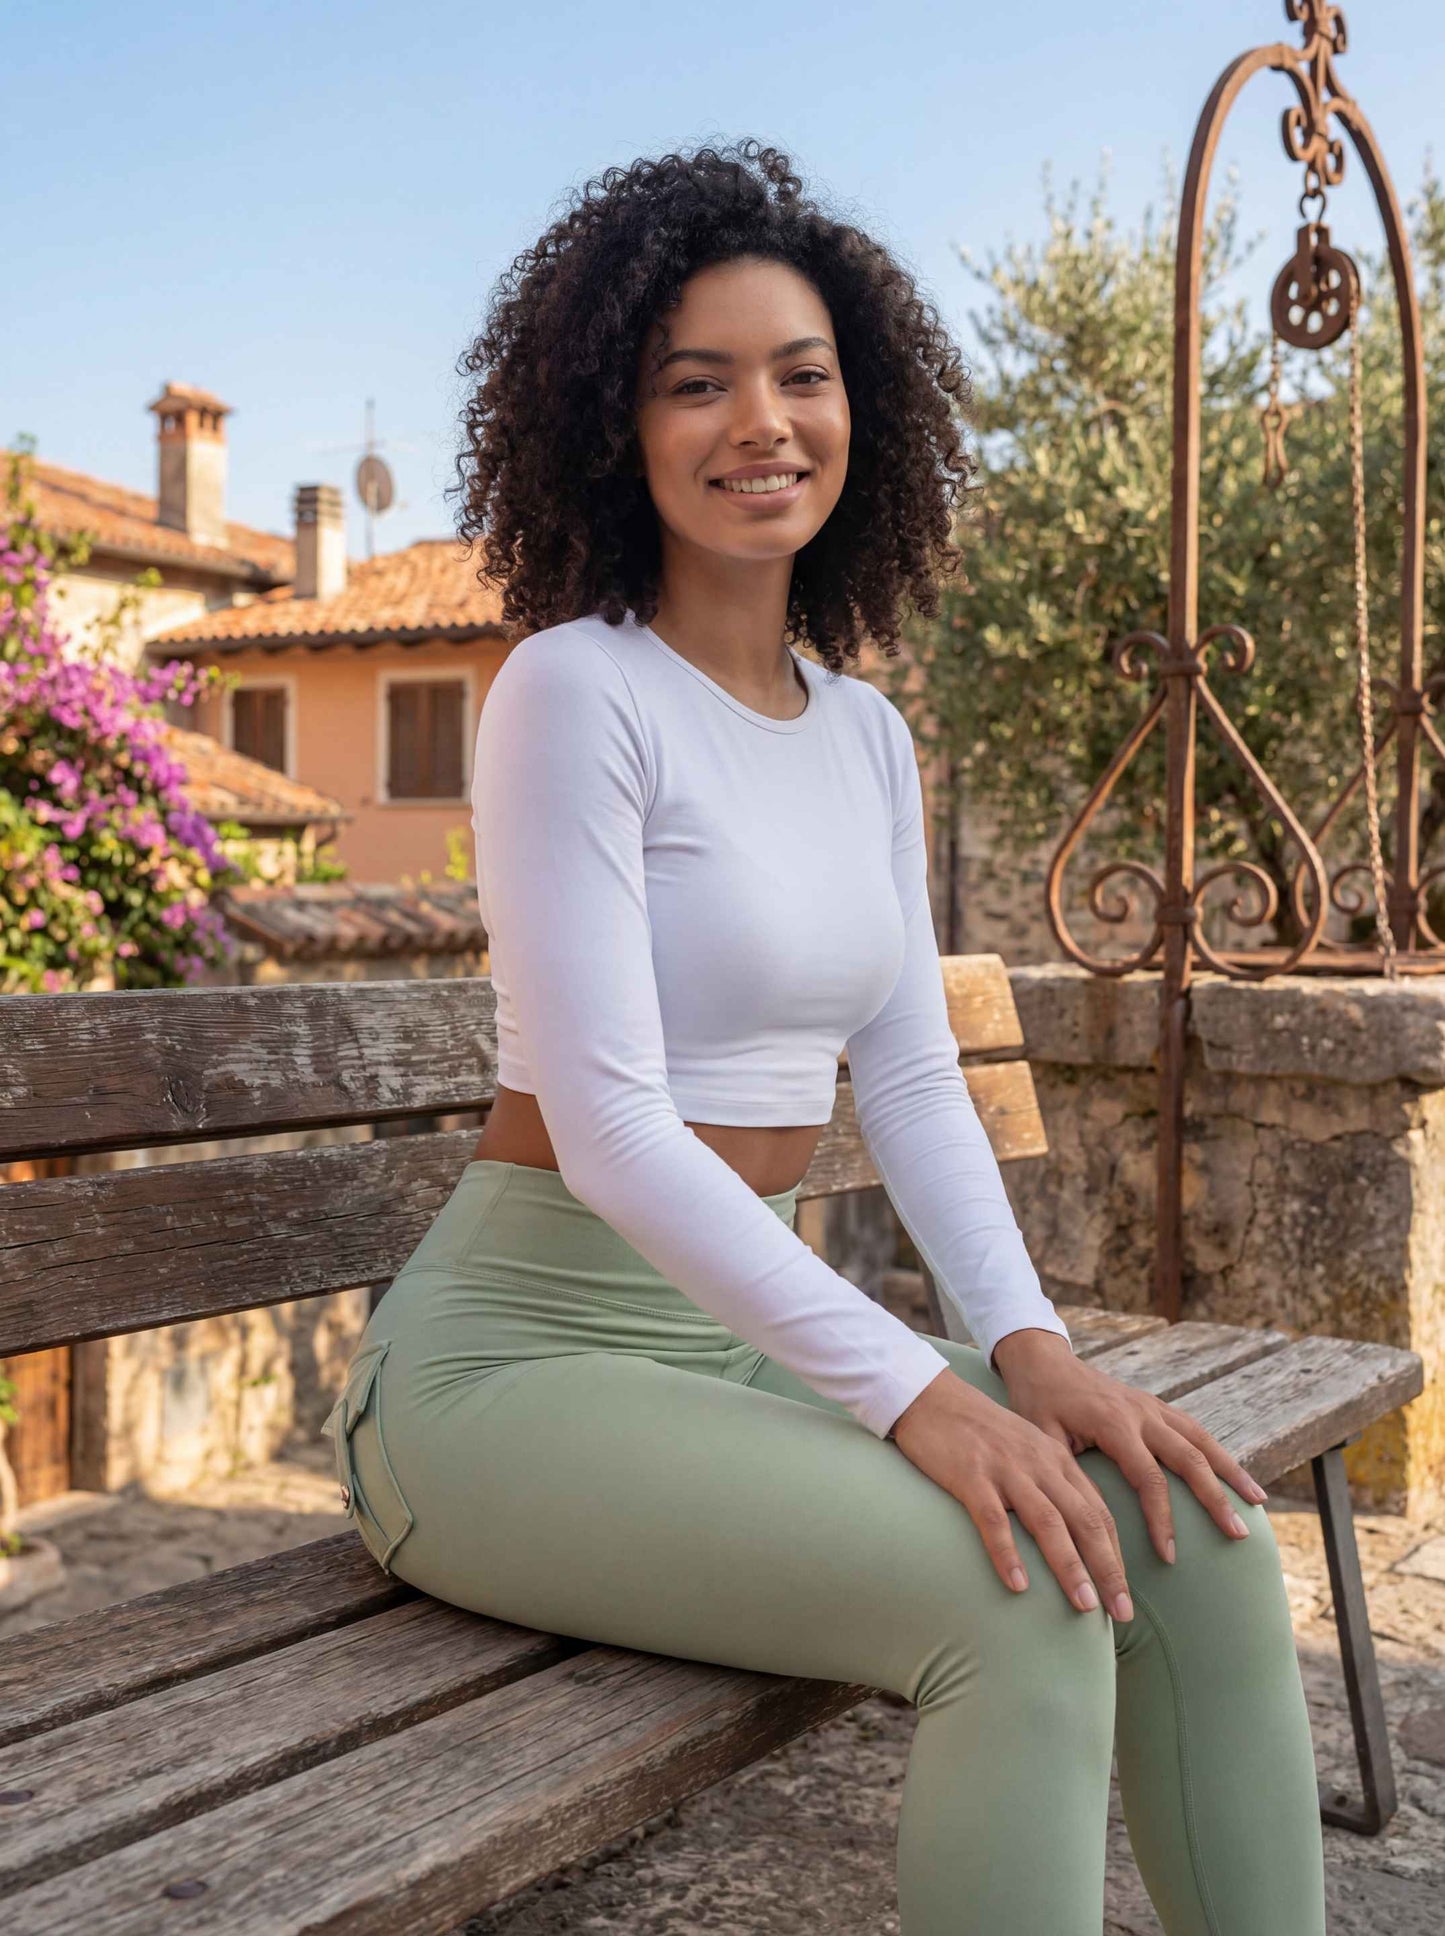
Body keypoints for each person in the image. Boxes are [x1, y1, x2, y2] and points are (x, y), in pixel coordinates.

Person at [324, 139, 1326, 1934]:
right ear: (609, 427)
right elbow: (618, 1131)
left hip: (729, 1353)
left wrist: (1025, 1349)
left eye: (799, 374)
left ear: (861, 404)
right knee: (1016, 1593)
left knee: (1201, 1541)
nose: (757, 421)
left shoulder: (862, 731)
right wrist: (917, 1393)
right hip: (504, 1377)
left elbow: (912, 1069)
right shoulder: (572, 690)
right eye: (692, 382)